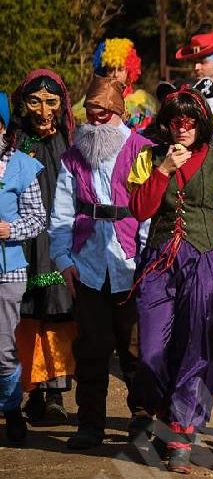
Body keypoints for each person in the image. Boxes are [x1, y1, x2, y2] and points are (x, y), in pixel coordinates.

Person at [127, 86, 213, 473]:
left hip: (205, 265)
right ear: (167, 125)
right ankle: (158, 412)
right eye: (175, 121)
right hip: (158, 265)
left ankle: (182, 433)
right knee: (151, 351)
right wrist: (164, 170)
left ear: (201, 124)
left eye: (189, 122)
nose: (182, 128)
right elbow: (140, 210)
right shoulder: (150, 158)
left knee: (196, 350)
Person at [49, 76, 152, 449]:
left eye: (104, 114)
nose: (96, 122)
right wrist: (63, 259)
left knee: (135, 347)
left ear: (118, 114)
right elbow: (61, 211)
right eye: (91, 115)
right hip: (87, 262)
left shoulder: (143, 149)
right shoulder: (74, 156)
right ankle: (90, 424)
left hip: (129, 262)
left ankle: (142, 419)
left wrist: (144, 261)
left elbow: (151, 210)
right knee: (90, 349)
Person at [10, 69, 76, 425]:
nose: (43, 109)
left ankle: (55, 393)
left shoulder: (71, 140)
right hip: (21, 239)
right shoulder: (14, 142)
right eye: (35, 101)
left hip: (60, 239)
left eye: (51, 102)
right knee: (25, 315)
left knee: (58, 314)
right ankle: (30, 391)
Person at [0, 91, 47, 447]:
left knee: (3, 350)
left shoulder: (22, 166)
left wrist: (10, 229)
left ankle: (12, 410)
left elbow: (38, 219)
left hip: (9, 270)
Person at [73, 38, 158, 133]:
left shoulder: (140, 104)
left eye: (120, 69)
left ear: (129, 71)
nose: (116, 74)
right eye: (111, 69)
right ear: (104, 70)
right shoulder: (95, 100)